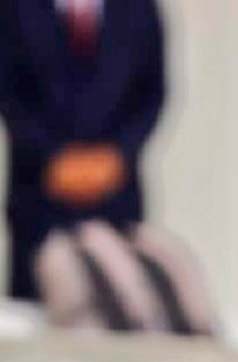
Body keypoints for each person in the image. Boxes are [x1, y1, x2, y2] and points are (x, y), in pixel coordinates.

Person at [0, 0, 166, 302]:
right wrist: (53, 159)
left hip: (116, 197)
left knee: (123, 301)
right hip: (39, 200)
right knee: (38, 311)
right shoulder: (14, 8)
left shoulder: (139, 7)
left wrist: (116, 157)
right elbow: (10, 94)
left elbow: (151, 93)